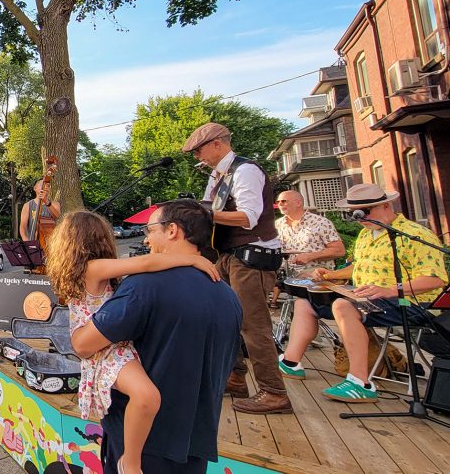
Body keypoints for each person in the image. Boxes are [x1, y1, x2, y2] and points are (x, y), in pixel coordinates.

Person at [72, 200, 242, 474]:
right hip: (196, 442)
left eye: (150, 230)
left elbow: (83, 344)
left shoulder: (143, 287)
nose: (147, 238)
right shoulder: (228, 295)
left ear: (172, 230)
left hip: (143, 445)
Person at [277, 183, 448, 402]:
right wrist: (330, 275)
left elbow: (435, 279)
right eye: (354, 214)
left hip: (410, 302)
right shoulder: (367, 235)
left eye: (364, 212)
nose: (360, 218)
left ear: (385, 206)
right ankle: (291, 363)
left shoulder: (414, 234)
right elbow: (359, 266)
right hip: (366, 297)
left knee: (342, 306)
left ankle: (360, 382)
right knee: (306, 301)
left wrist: (389, 290)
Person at [182, 122, 291, 415]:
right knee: (222, 319)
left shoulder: (246, 171)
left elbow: (249, 217)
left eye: (200, 150)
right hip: (228, 254)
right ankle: (235, 377)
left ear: (218, 144)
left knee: (253, 326)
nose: (198, 157)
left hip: (252, 256)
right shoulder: (218, 176)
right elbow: (209, 214)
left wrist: (204, 212)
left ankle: (274, 391)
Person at [270, 190, 346, 308]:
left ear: (298, 202)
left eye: (284, 201)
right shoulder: (278, 224)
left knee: (303, 305)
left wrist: (309, 256)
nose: (280, 204)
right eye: (278, 202)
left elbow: (339, 251)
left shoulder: (320, 222)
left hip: (315, 273)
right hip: (286, 271)